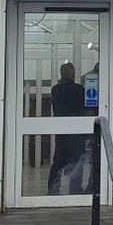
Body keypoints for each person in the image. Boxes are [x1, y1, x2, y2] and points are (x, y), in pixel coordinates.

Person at [45, 62, 92, 195]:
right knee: (77, 163)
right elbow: (84, 109)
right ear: (73, 74)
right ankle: (75, 190)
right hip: (77, 132)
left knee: (58, 162)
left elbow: (58, 109)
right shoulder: (79, 90)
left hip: (62, 132)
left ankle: (52, 189)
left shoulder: (56, 90)